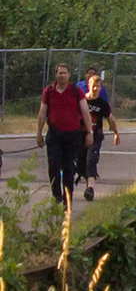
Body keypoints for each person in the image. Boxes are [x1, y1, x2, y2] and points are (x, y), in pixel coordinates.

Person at [37, 63, 91, 205]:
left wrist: (89, 132)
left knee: (69, 167)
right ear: (56, 75)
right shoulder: (49, 91)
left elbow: (85, 111)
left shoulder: (76, 90)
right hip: (54, 133)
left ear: (69, 75)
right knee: (53, 165)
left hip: (72, 134)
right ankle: (57, 195)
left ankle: (68, 196)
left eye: (64, 73)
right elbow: (42, 112)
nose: (62, 75)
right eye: (59, 73)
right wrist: (39, 132)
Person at [79, 71, 120, 201]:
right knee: (81, 163)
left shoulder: (102, 104)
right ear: (88, 85)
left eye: (98, 86)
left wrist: (116, 133)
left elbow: (110, 119)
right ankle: (87, 186)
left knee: (91, 160)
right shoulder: (81, 101)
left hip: (95, 136)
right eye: (93, 85)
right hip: (80, 136)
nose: (95, 88)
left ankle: (90, 189)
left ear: (101, 88)